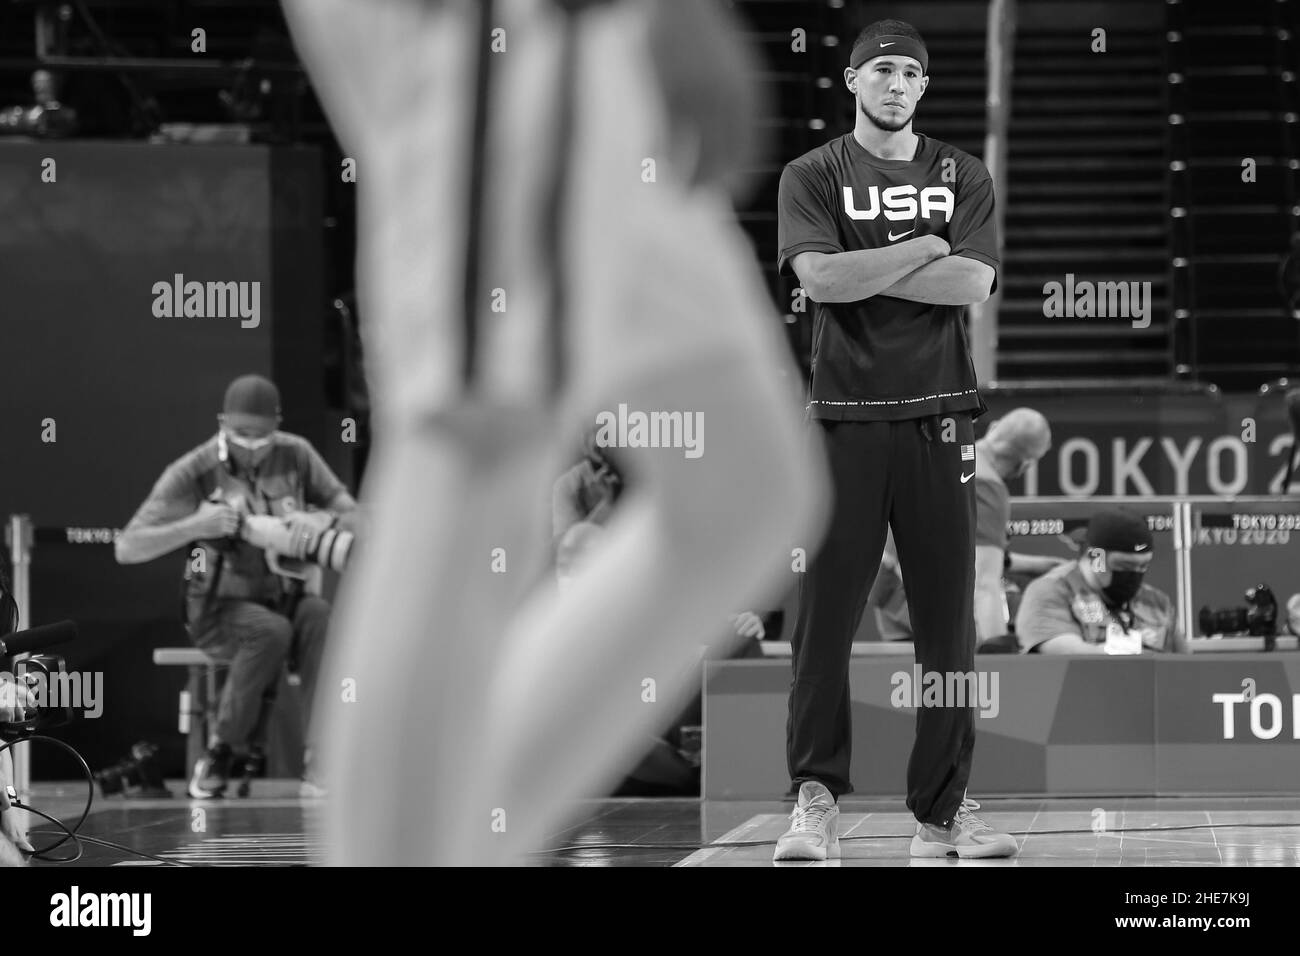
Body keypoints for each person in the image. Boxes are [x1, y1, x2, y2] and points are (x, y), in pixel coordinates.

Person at [283, 0, 827, 865]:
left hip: (588, 47)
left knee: (746, 487)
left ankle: (456, 839)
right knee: (482, 432)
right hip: (506, 23)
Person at [776, 18, 1018, 861]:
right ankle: (813, 799)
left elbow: (976, 280)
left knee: (948, 627)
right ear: (850, 80)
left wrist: (869, 262)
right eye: (880, 70)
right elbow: (820, 280)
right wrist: (920, 245)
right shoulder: (812, 173)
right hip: (841, 418)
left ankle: (943, 811)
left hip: (941, 417)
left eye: (909, 74)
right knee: (824, 624)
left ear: (923, 87)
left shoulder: (964, 173)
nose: (895, 85)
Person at [115, 374, 358, 798]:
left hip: (282, 596)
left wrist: (320, 520)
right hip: (217, 608)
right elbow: (128, 546)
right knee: (270, 631)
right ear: (222, 422)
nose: (252, 442)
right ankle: (221, 750)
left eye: (262, 434)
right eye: (242, 433)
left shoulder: (296, 455)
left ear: (277, 425)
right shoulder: (196, 469)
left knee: (319, 615)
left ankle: (322, 759)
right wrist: (196, 524)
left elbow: (355, 516)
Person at [867, 408, 1065, 646]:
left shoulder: (942, 455)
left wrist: (1037, 565)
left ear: (994, 429)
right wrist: (999, 653)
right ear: (1025, 464)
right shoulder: (986, 487)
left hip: (891, 595)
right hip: (929, 607)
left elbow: (946, 543)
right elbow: (983, 583)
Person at [1016, 508, 1187, 655]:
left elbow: (1186, 665)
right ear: (1095, 557)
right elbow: (1068, 655)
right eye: (1124, 565)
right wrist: (1134, 653)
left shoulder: (1156, 602)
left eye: (1142, 566)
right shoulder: (1052, 591)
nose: (1134, 574)